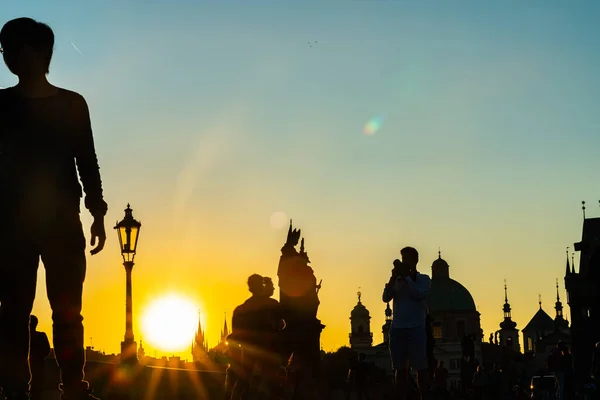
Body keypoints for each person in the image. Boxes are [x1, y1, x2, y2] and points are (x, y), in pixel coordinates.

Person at [0, 18, 108, 400]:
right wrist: (95, 211)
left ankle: (63, 386)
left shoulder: (64, 104)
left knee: (47, 311)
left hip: (35, 223)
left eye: (11, 49)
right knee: (22, 311)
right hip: (27, 223)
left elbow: (87, 161)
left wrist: (96, 209)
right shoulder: (68, 104)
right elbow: (87, 163)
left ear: (35, 52)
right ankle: (40, 388)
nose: (8, 57)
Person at [382, 247, 432, 400]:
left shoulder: (424, 279)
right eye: (403, 259)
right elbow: (385, 298)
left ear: (415, 261)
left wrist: (408, 278)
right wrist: (392, 279)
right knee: (399, 369)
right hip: (397, 329)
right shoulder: (397, 280)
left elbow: (419, 295)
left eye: (407, 259)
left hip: (416, 329)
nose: (404, 262)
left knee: (421, 368)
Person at [29, 315, 51, 400]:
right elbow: (47, 350)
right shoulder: (41, 335)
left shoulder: (23, 336)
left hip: (33, 367)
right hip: (38, 367)